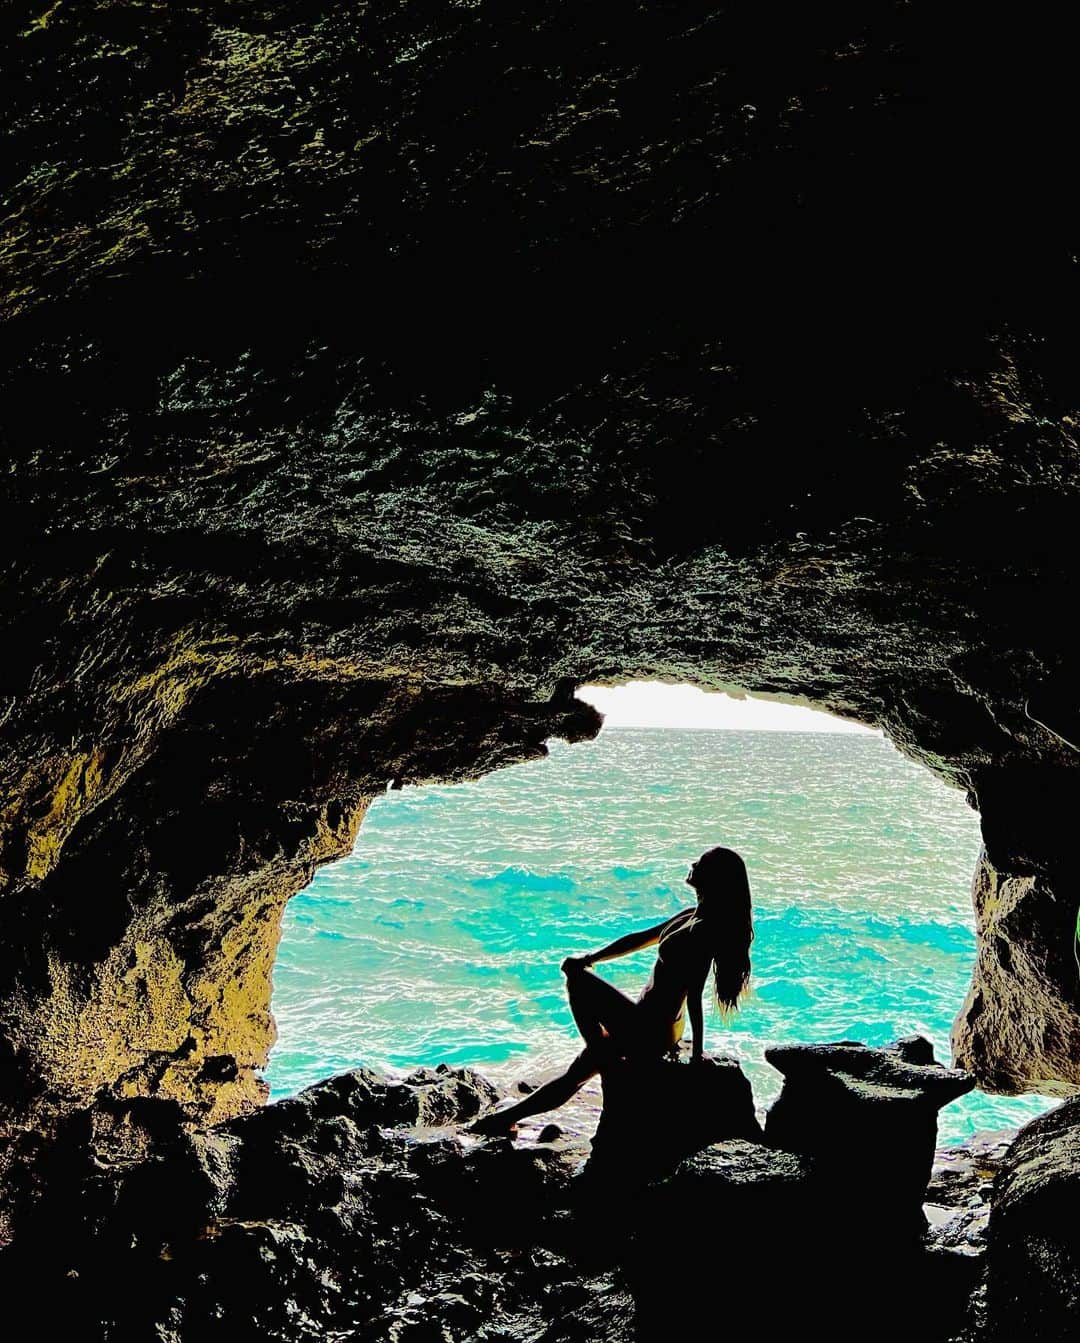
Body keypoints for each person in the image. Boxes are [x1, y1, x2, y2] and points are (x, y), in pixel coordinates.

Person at [468, 845, 754, 1135]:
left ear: (714, 878)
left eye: (701, 863)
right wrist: (592, 958)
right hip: (646, 1021)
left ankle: (605, 1060)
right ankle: (505, 1120)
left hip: (652, 1030)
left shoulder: (704, 929)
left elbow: (694, 993)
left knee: (577, 979)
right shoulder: (689, 915)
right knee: (576, 1073)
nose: (693, 863)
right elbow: (640, 939)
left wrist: (696, 1058)